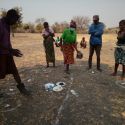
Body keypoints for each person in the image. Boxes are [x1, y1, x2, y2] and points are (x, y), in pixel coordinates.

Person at [0, 9, 30, 96]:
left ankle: (22, 88)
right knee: (1, 73)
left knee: (14, 70)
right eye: (14, 20)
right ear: (9, 17)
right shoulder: (0, 24)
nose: (15, 23)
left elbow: (6, 41)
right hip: (1, 54)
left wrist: (12, 51)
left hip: (7, 53)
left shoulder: (7, 25)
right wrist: (10, 50)